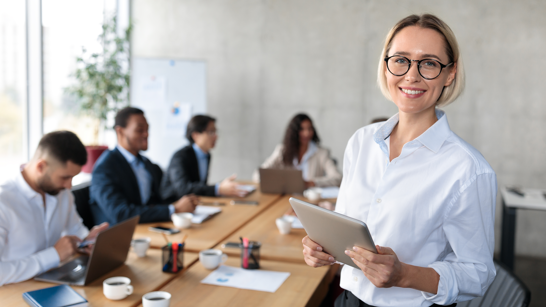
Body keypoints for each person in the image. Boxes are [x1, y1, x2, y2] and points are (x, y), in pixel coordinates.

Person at [302, 14, 496, 307]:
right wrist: (321, 248)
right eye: (401, 59)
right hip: (348, 300)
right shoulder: (361, 142)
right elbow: (346, 233)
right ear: (386, 64)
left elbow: (477, 274)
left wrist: (404, 275)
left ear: (450, 73)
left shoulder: (468, 169)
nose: (411, 75)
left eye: (429, 63)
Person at [0, 131, 109, 286]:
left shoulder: (62, 193)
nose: (69, 186)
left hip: (54, 283)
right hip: (14, 292)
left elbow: (75, 229)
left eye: (73, 178)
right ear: (40, 166)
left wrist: (88, 241)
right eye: (65, 177)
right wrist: (53, 255)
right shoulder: (4, 201)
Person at [90, 107, 198, 225]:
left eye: (147, 129)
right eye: (140, 130)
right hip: (118, 236)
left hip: (148, 227)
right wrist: (173, 209)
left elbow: (158, 200)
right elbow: (120, 213)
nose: (146, 134)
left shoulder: (147, 164)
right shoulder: (105, 168)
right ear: (120, 132)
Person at [161, 115, 249, 199]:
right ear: (195, 135)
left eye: (215, 132)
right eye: (211, 132)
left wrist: (222, 186)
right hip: (173, 204)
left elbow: (200, 186)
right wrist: (218, 188)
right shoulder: (180, 157)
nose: (216, 136)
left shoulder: (207, 155)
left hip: (195, 203)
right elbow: (183, 189)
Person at [254, 113, 342, 188]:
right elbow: (257, 176)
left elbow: (338, 178)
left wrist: (311, 182)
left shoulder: (322, 153)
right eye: (302, 129)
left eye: (309, 129)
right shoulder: (282, 150)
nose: (307, 133)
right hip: (285, 198)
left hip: (309, 200)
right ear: (294, 132)